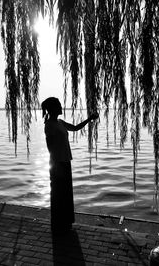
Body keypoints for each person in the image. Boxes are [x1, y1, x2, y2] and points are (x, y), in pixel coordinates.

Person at [41, 97, 99, 234]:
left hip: (65, 161)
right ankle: (58, 224)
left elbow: (75, 128)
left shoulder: (60, 122)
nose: (62, 107)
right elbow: (50, 147)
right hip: (58, 163)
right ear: (53, 108)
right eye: (59, 105)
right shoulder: (49, 125)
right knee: (58, 195)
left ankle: (66, 222)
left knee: (66, 194)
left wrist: (89, 119)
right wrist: (56, 166)